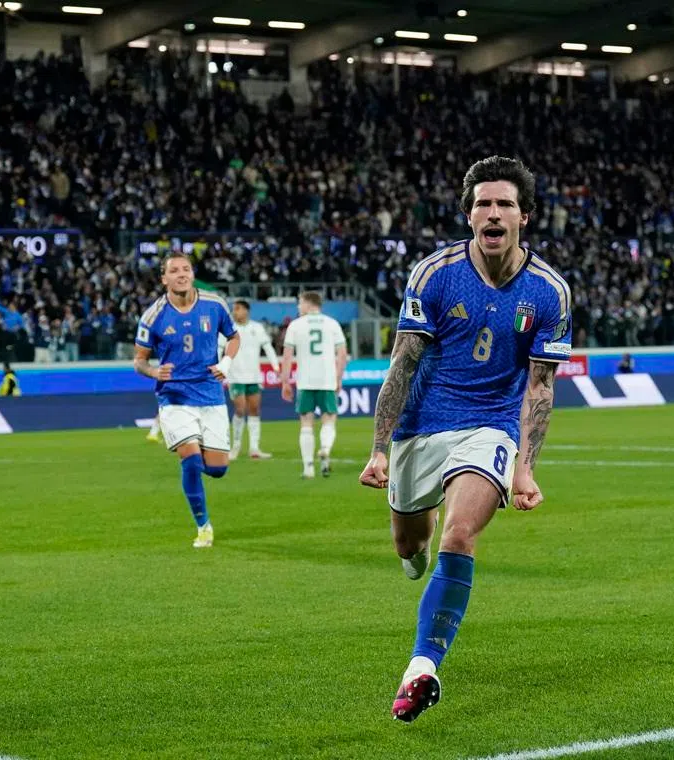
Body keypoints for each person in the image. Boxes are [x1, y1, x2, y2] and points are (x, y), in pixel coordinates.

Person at [358, 156, 571, 723]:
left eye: (504, 204)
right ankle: (416, 548)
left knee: (460, 533)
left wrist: (525, 467)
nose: (493, 213)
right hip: (420, 425)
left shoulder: (549, 291)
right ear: (469, 214)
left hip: (490, 425)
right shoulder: (434, 274)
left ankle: (421, 668)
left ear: (524, 216)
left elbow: (540, 386)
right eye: (483, 204)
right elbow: (402, 364)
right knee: (410, 547)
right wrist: (379, 448)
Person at [134, 254, 240, 548]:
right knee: (191, 461)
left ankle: (191, 464)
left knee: (217, 469)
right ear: (163, 279)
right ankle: (203, 526)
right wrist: (153, 371)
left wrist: (226, 363)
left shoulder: (214, 304)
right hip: (175, 396)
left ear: (192, 274)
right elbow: (139, 360)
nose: (181, 274)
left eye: (186, 269)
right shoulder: (153, 316)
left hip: (211, 393)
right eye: (174, 271)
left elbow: (234, 337)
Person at [279, 292, 348, 479]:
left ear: (309, 304)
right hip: (327, 380)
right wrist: (338, 378)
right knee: (329, 419)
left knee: (306, 422)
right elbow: (342, 354)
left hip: (305, 381)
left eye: (300, 303)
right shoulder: (332, 323)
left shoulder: (295, 325)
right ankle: (325, 449)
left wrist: (285, 381)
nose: (298, 307)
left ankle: (308, 468)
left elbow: (287, 356)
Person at [223, 300, 281, 461]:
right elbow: (218, 348)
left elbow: (268, 347)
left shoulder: (257, 327)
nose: (234, 312)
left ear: (246, 311)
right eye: (234, 309)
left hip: (254, 377)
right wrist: (218, 366)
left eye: (237, 309)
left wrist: (276, 366)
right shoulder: (228, 328)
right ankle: (235, 447)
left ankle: (254, 448)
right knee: (240, 409)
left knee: (254, 410)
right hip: (235, 376)